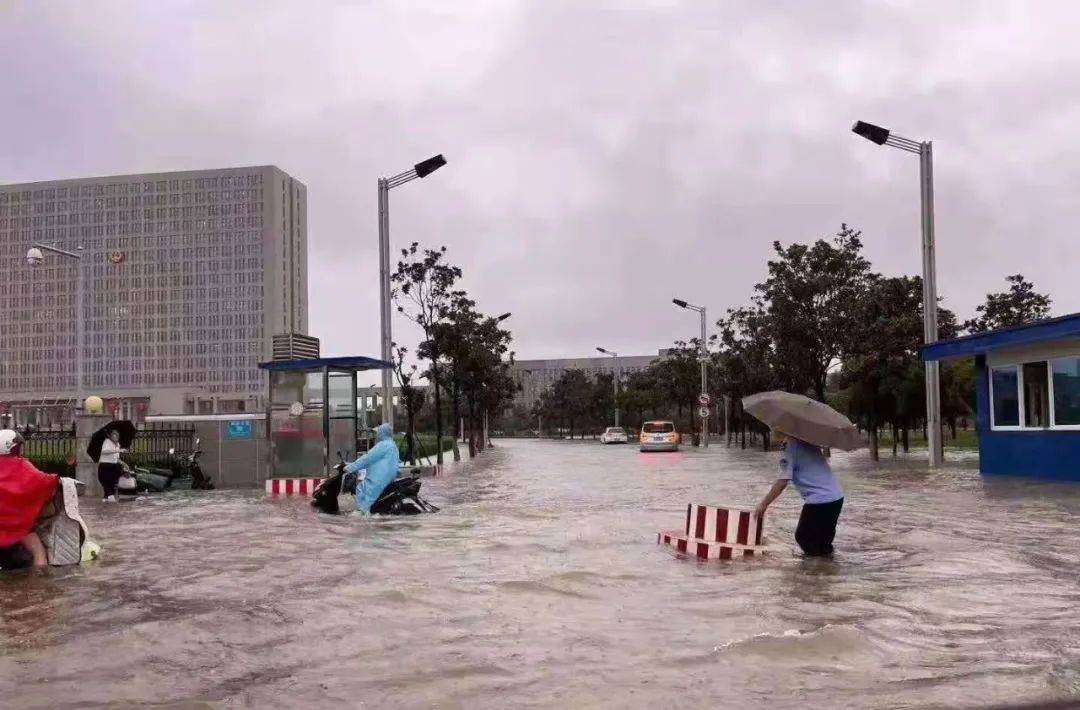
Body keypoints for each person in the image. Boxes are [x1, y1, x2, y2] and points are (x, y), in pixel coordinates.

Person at [754, 432, 844, 557]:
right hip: (836, 497)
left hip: (820, 500)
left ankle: (814, 573)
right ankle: (827, 572)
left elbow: (782, 482)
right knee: (823, 544)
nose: (771, 431)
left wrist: (763, 505)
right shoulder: (806, 440)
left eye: (773, 427)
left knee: (804, 538)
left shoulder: (789, 448)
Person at [0, 429, 58, 569]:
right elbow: (43, 481)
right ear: (13, 447)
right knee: (39, 554)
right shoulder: (22, 465)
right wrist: (59, 480)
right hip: (19, 528)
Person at [343, 423, 400, 516]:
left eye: (378, 433)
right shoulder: (392, 445)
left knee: (362, 489)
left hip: (379, 478)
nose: (376, 435)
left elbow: (367, 458)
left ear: (382, 433)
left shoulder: (383, 445)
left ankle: (363, 513)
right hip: (389, 478)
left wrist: (350, 467)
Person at [98, 428, 125, 502]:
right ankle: (109, 495)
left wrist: (121, 462)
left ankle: (106, 497)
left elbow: (116, 457)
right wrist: (117, 450)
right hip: (105, 464)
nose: (116, 437)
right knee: (105, 480)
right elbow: (104, 451)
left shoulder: (118, 444)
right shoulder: (107, 442)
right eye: (114, 435)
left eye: (117, 435)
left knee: (112, 481)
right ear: (111, 436)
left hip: (114, 465)